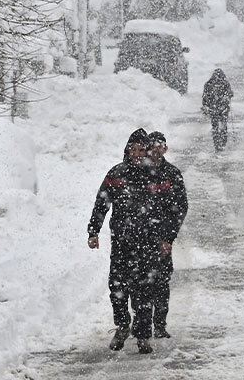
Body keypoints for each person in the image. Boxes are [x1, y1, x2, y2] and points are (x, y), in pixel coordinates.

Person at [87, 128, 160, 354]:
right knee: (117, 287)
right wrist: (93, 231)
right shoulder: (116, 174)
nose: (137, 154)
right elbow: (102, 203)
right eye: (133, 149)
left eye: (141, 150)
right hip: (122, 242)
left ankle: (143, 335)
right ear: (127, 150)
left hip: (147, 242)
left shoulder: (155, 175)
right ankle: (121, 326)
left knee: (144, 290)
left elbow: (166, 208)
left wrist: (164, 235)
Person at [145, 131, 188, 339]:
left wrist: (167, 237)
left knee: (161, 283)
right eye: (152, 145)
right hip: (140, 239)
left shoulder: (172, 174)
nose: (156, 149)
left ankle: (160, 325)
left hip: (162, 239)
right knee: (140, 284)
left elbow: (180, 208)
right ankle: (142, 326)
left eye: (159, 145)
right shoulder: (138, 173)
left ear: (165, 148)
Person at [202, 68, 234, 151]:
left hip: (213, 109)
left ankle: (217, 143)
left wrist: (206, 106)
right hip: (223, 109)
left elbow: (204, 97)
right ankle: (223, 142)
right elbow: (230, 94)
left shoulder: (208, 84)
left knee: (215, 127)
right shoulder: (225, 84)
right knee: (223, 125)